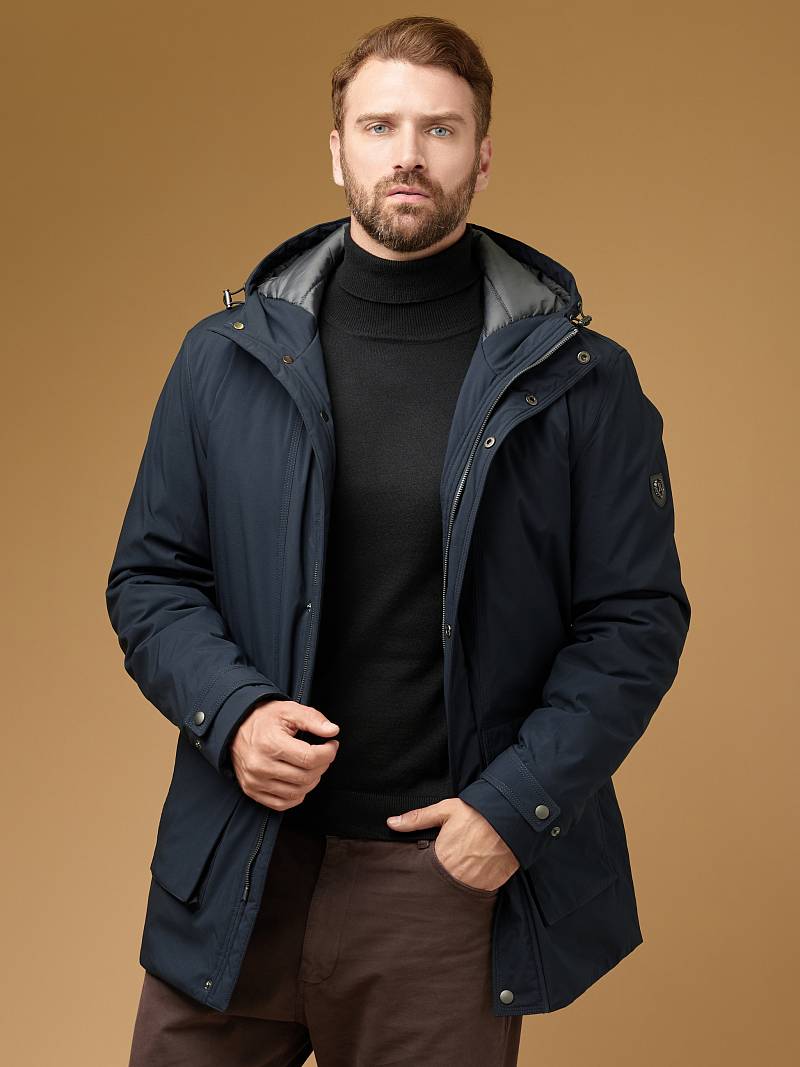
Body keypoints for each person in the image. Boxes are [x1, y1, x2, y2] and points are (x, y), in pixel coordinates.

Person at [107, 15, 691, 1067]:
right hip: (239, 861)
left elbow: (633, 622)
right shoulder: (221, 359)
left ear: (482, 156)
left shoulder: (581, 380)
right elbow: (153, 577)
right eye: (379, 126)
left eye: (440, 129)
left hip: (441, 885)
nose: (408, 154)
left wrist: (512, 809)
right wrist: (232, 714)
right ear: (337, 149)